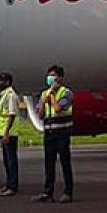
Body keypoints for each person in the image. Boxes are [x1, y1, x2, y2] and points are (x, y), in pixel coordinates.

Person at [32, 64, 73, 203]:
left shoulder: (66, 92)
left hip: (62, 132)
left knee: (65, 162)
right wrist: (43, 101)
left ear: (60, 78)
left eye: (53, 75)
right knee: (49, 163)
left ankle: (68, 192)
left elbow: (58, 108)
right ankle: (47, 192)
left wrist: (53, 95)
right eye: (49, 75)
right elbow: (41, 114)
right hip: (49, 132)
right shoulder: (44, 93)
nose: (50, 78)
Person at [0, 71, 20, 196]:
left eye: (0, 80)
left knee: (11, 160)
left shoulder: (11, 95)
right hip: (5, 132)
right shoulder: (4, 95)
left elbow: (11, 115)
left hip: (10, 134)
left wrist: (6, 133)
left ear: (7, 82)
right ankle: (8, 184)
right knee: (6, 160)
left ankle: (12, 186)